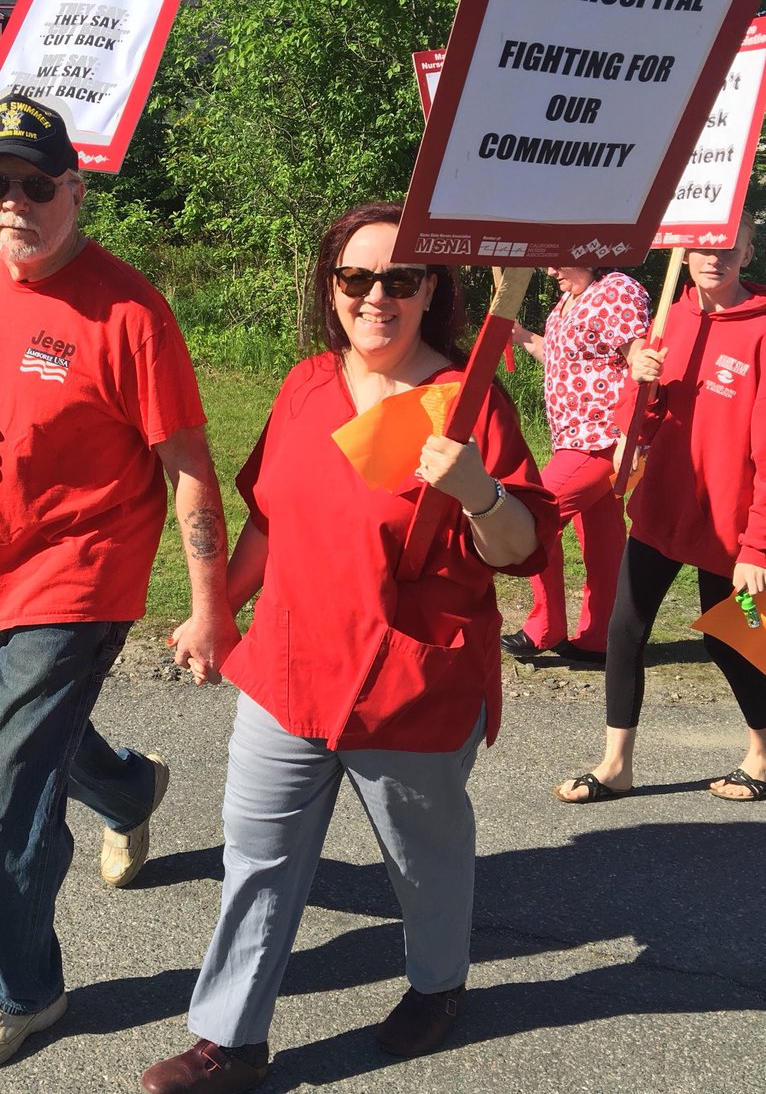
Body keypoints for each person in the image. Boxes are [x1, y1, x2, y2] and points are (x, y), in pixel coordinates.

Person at [140, 202, 559, 1094]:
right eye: (355, 278)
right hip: (288, 671)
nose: (376, 297)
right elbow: (267, 518)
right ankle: (230, 1041)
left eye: (400, 279)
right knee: (256, 859)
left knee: (423, 861)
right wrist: (217, 610)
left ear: (432, 289)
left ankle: (438, 985)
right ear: (331, 287)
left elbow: (520, 551)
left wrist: (480, 491)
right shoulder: (305, 385)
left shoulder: (468, 401)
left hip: (410, 686)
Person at [0, 96, 239, 1072]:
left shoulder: (130, 311)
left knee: (11, 792)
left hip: (85, 575)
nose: (17, 202)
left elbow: (188, 466)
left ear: (75, 193)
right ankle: (129, 789)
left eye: (38, 185)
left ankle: (23, 989)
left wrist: (210, 608)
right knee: (35, 743)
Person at [556, 211, 766, 803]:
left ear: (748, 253)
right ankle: (616, 765)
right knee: (624, 631)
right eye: (704, 245)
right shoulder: (671, 319)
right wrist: (639, 380)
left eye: (729, 246)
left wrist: (758, 547)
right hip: (662, 513)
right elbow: (638, 425)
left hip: (733, 530)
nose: (714, 257)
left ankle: (761, 754)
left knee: (736, 637)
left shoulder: (761, 328)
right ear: (685, 252)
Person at [502, 266, 649, 664]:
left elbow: (642, 364)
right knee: (603, 540)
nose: (551, 270)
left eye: (560, 258)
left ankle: (545, 627)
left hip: (602, 440)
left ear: (590, 249)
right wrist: (520, 335)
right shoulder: (570, 299)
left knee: (532, 516)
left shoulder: (616, 290)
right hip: (574, 439)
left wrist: (632, 434)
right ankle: (601, 639)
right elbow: (560, 357)